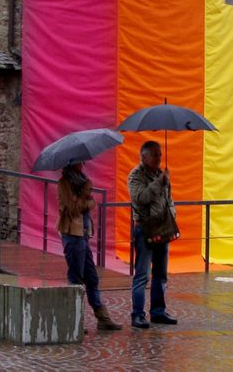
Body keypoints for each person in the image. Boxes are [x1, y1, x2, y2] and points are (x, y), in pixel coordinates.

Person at [57, 162, 122, 331]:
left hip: (83, 235)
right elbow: (73, 209)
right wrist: (86, 193)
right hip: (72, 234)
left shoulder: (82, 180)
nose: (82, 164)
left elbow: (91, 203)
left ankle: (102, 317)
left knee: (92, 277)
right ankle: (74, 320)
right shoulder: (64, 183)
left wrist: (86, 196)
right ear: (72, 163)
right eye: (79, 161)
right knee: (76, 277)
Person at [128, 140, 179, 329]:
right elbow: (141, 198)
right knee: (142, 274)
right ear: (144, 156)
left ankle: (158, 311)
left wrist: (172, 213)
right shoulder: (135, 176)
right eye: (155, 155)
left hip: (163, 229)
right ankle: (138, 314)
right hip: (145, 230)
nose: (159, 158)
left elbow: (169, 199)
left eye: (160, 155)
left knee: (161, 273)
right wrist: (160, 182)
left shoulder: (161, 174)